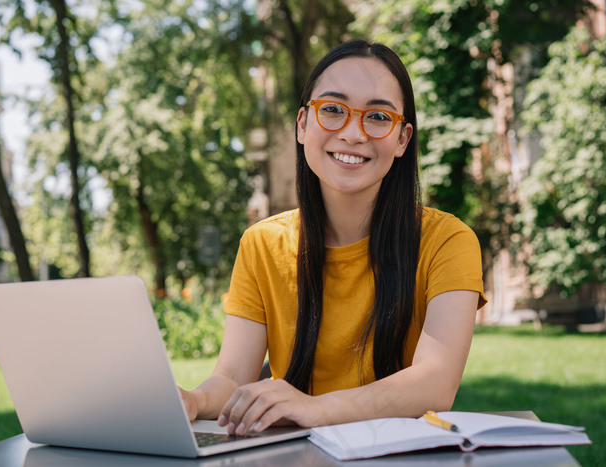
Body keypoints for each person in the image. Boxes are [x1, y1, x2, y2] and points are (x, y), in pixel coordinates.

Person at [180, 39, 487, 437]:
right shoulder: (261, 244)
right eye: (333, 110)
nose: (353, 133)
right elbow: (233, 377)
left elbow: (435, 382)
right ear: (302, 125)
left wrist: (316, 409)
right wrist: (193, 401)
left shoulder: (448, 240)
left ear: (402, 139)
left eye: (377, 116)